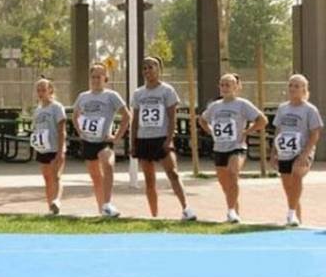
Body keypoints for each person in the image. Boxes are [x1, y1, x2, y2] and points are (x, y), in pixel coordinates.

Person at [131, 56, 196, 221]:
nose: (147, 70)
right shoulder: (138, 93)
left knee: (173, 173)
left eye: (151, 67)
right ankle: (154, 215)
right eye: (145, 68)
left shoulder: (167, 91)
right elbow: (135, 119)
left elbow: (172, 117)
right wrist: (133, 142)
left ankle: (186, 208)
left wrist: (168, 139)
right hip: (144, 139)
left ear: (159, 69)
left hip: (161, 138)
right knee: (149, 179)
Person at [199, 73, 267, 223]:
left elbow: (262, 120)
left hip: (237, 147)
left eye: (228, 85)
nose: (224, 88)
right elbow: (202, 120)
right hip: (219, 148)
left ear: (236, 87)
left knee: (232, 173)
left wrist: (247, 132)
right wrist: (210, 131)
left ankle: (230, 211)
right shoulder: (215, 106)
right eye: (222, 85)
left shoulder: (242, 104)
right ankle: (234, 211)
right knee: (225, 184)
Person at [72, 63, 131, 216]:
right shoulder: (83, 96)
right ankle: (102, 209)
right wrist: (80, 132)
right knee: (96, 177)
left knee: (108, 164)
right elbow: (75, 116)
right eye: (93, 77)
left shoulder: (111, 96)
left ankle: (107, 203)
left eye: (99, 77)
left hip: (104, 141)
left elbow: (127, 115)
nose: (96, 80)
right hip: (88, 141)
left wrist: (117, 136)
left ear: (106, 78)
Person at [270, 74, 323, 226]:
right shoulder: (282, 108)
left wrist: (305, 153)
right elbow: (278, 131)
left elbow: (315, 133)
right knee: (289, 187)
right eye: (291, 85)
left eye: (296, 86)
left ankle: (291, 213)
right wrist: (273, 152)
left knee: (296, 175)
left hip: (302, 151)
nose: (293, 89)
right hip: (284, 152)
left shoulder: (310, 110)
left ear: (304, 89)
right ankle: (296, 218)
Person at [31, 77, 67, 215]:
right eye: (38, 90)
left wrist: (60, 150)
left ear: (50, 90)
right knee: (47, 177)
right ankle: (50, 206)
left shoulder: (56, 107)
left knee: (56, 176)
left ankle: (57, 201)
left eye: (43, 90)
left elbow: (62, 129)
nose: (41, 93)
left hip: (55, 147)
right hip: (43, 148)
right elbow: (37, 129)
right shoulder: (38, 110)